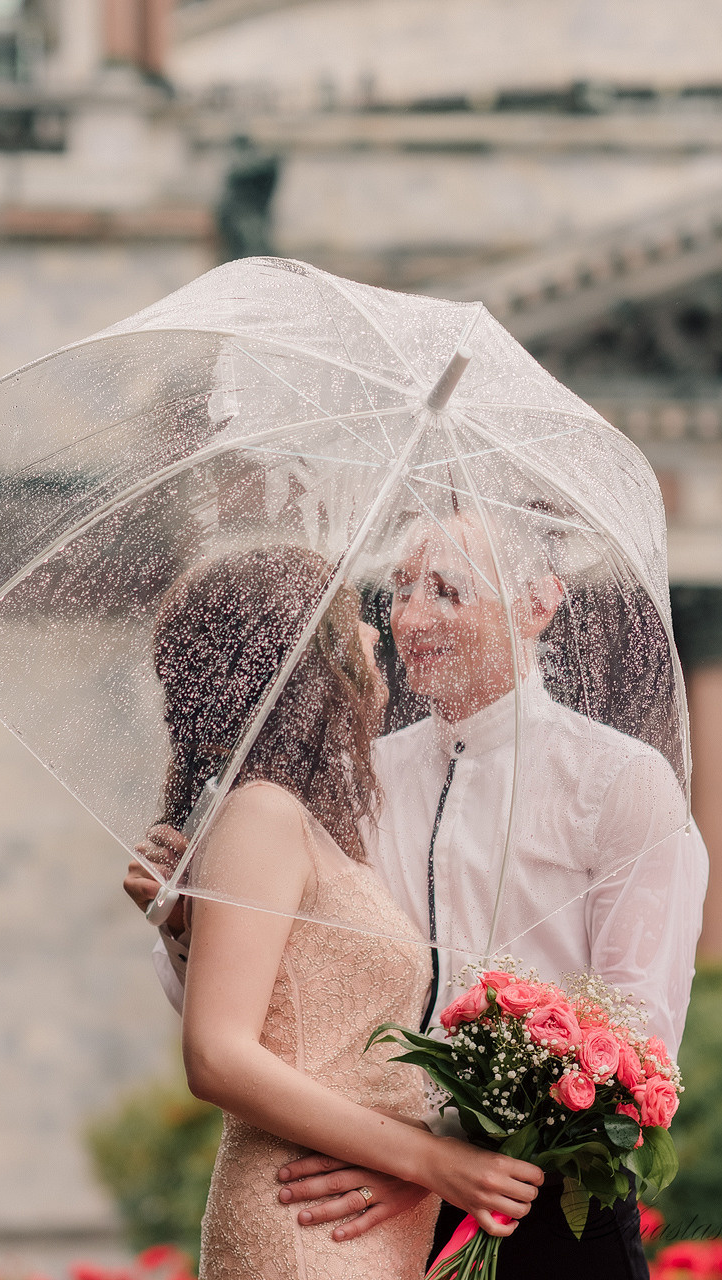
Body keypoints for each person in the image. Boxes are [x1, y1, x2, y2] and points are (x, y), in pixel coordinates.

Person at [129, 509, 707, 1277]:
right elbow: (278, 1005)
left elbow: (640, 1037)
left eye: (446, 589)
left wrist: (436, 1155)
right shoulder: (357, 779)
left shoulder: (620, 782)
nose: (409, 617)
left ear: (538, 604)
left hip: (546, 1201)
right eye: (399, 588)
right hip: (362, 1200)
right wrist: (182, 929)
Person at [148, 542, 544, 1279]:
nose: (377, 636)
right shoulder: (261, 814)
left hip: (359, 1224)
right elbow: (217, 1054)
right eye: (353, 621)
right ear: (305, 655)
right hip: (305, 1223)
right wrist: (433, 1159)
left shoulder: (302, 819)